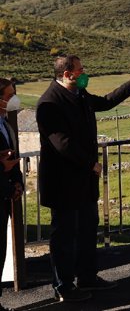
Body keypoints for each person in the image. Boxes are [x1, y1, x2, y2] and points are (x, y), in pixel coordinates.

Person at [36, 56, 130, 302]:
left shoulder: (81, 95)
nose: (84, 73)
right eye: (80, 70)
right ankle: (63, 286)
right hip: (63, 183)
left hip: (85, 182)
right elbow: (62, 144)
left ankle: (87, 277)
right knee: (64, 236)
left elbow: (105, 102)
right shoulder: (49, 103)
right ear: (67, 74)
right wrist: (90, 163)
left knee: (87, 230)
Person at [0, 79, 24, 311]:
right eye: (8, 95)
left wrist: (17, 183)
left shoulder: (5, 124)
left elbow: (13, 155)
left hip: (5, 195)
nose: (13, 99)